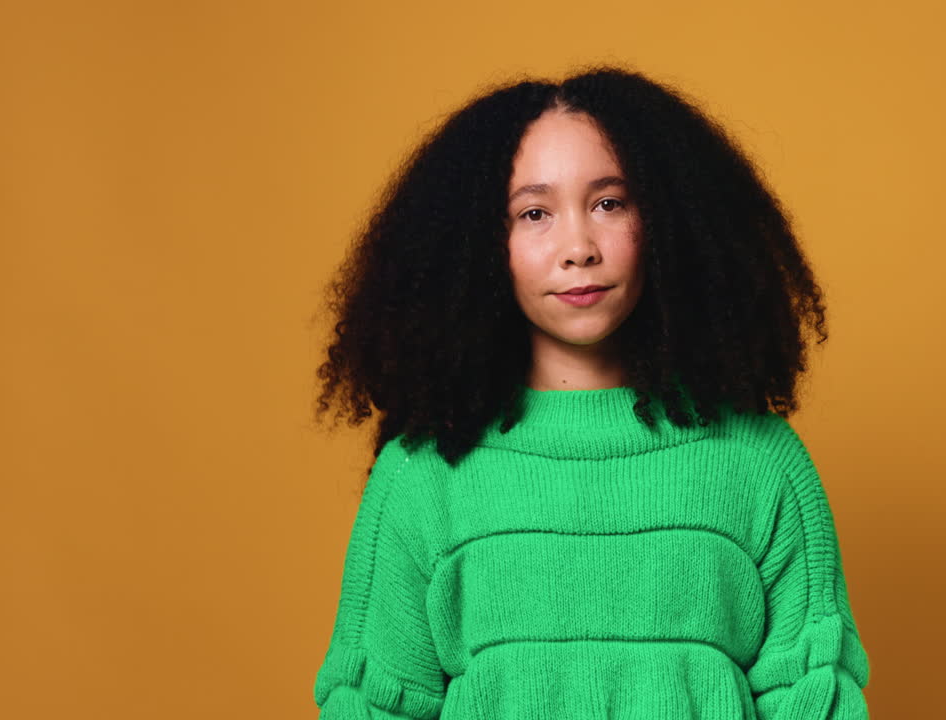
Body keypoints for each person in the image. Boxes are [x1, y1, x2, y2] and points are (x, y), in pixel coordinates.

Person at [309, 64, 872, 719]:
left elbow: (814, 701)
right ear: (476, 244)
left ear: (665, 219)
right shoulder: (424, 475)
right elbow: (374, 706)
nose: (578, 246)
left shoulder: (759, 463)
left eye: (609, 202)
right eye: (534, 212)